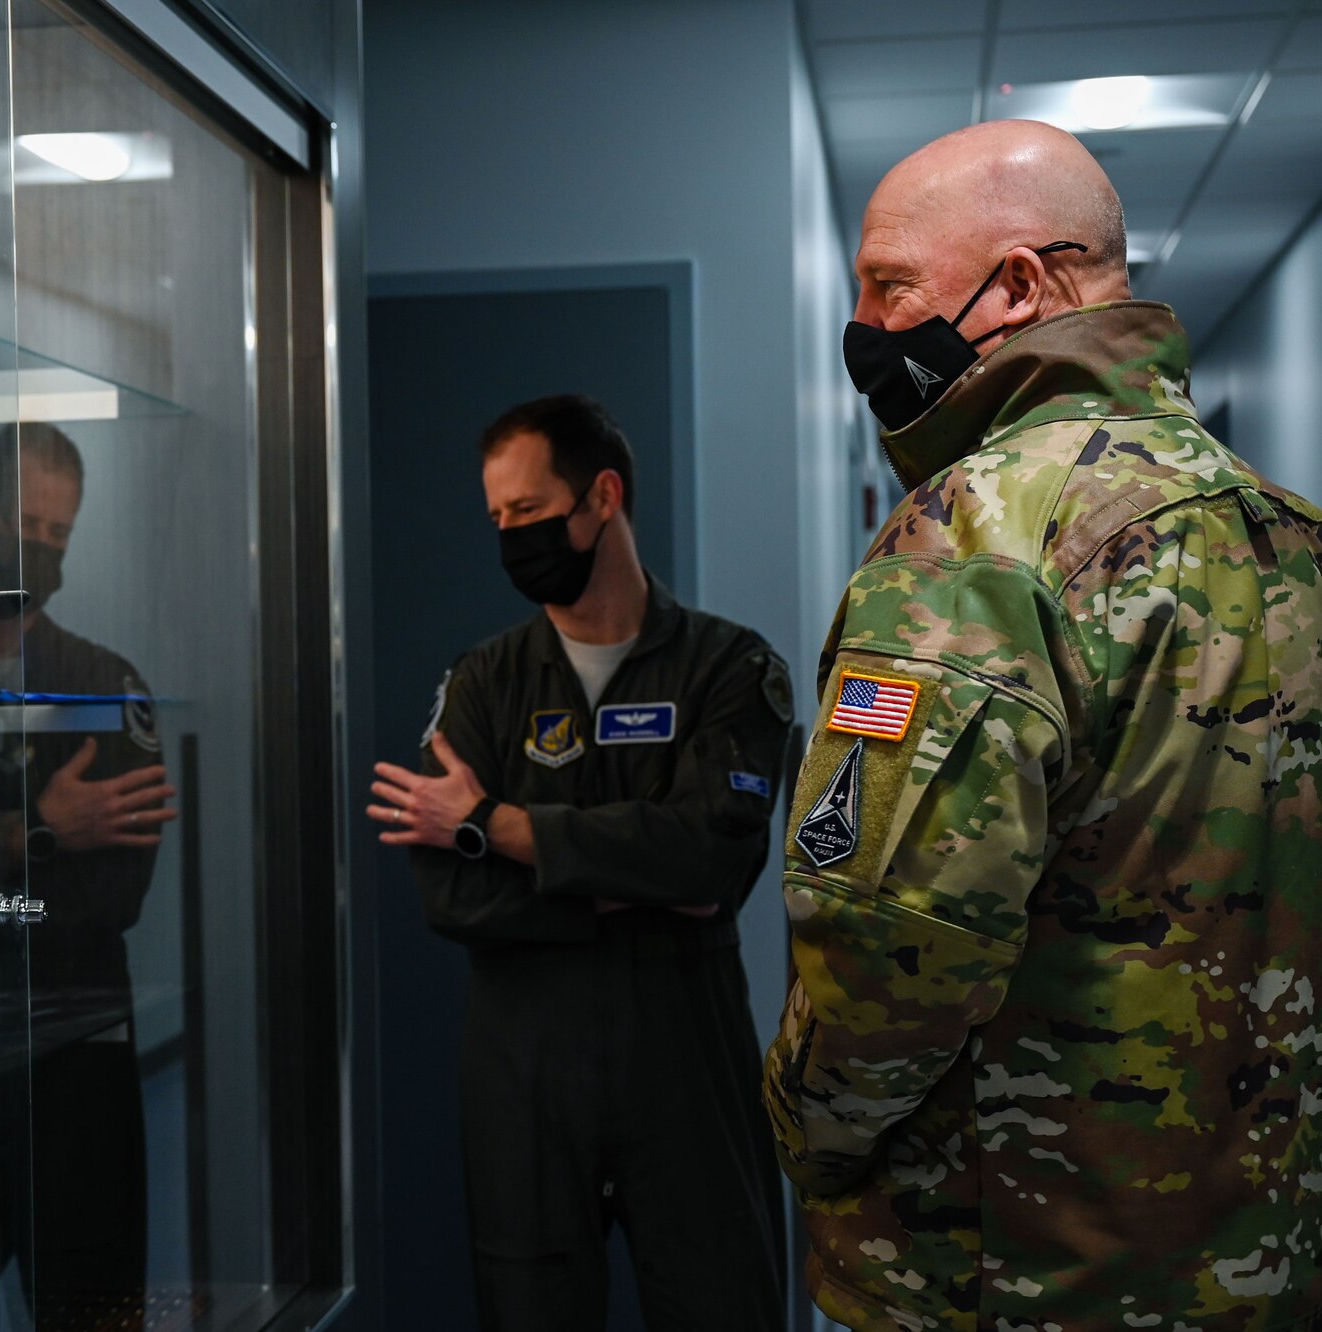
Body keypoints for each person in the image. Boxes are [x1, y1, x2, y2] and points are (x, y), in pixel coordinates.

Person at [764, 119, 1322, 1332]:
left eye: (888, 287)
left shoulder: (972, 535)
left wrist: (805, 1136)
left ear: (1016, 286)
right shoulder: (1288, 532)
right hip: (1261, 1261)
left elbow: (888, 945)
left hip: (1009, 1273)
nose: (862, 327)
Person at [369, 394, 793, 1331]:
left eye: (528, 510)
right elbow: (449, 891)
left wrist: (500, 827)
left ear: (602, 497)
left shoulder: (729, 669)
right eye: (497, 519)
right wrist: (628, 883)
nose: (512, 535)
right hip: (525, 1066)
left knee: (727, 1302)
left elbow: (713, 863)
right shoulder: (484, 683)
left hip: (684, 1057)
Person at [0, 422, 174, 1328]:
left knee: (90, 1309)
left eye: (61, 534)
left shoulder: (104, 681)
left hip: (77, 1044)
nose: (43, 548)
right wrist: (35, 831)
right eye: (29, 526)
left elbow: (116, 897)